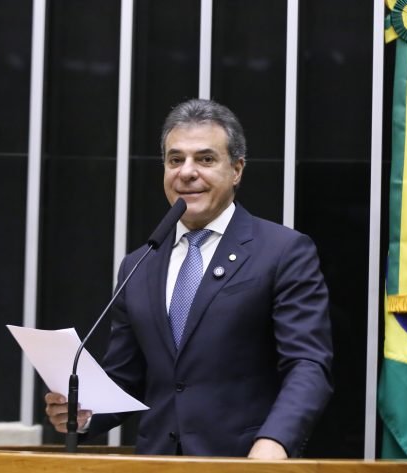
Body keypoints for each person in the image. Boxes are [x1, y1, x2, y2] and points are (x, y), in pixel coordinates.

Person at [45, 99, 333, 459]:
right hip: (157, 463)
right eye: (175, 160)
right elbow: (125, 378)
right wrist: (82, 413)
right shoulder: (140, 263)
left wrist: (276, 441)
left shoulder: (283, 251)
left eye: (205, 159)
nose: (187, 172)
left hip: (246, 462)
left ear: (237, 169)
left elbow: (307, 365)